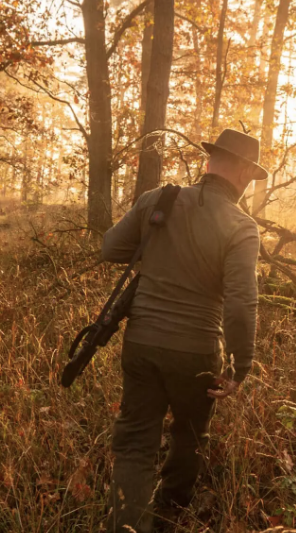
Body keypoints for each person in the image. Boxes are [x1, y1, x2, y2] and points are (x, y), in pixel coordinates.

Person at [101, 128, 267, 533]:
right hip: (197, 350)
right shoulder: (241, 226)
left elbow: (111, 249)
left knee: (136, 443)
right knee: (190, 435)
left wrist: (158, 249)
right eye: (250, 174)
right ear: (244, 169)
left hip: (141, 342)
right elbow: (241, 303)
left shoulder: (158, 199)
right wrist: (240, 365)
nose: (249, 183)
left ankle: (127, 524)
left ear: (211, 161)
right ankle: (165, 518)